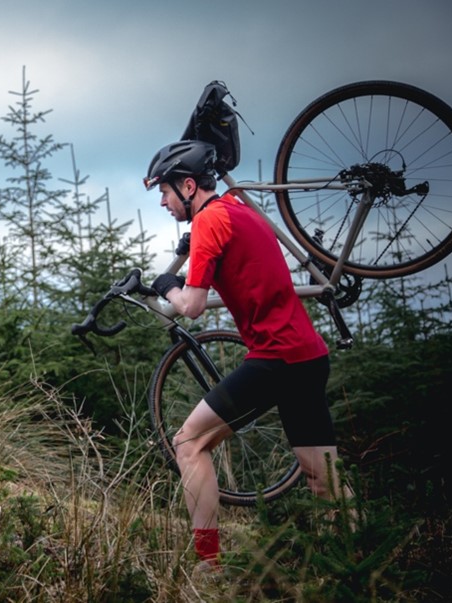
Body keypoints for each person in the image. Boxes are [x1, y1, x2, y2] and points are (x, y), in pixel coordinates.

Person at [144, 140, 352, 572]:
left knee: (188, 443)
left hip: (276, 357)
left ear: (188, 186)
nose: (163, 202)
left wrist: (167, 286)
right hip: (307, 355)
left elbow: (192, 306)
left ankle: (208, 563)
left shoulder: (210, 220)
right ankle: (363, 558)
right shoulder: (238, 210)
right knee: (323, 478)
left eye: (164, 191)